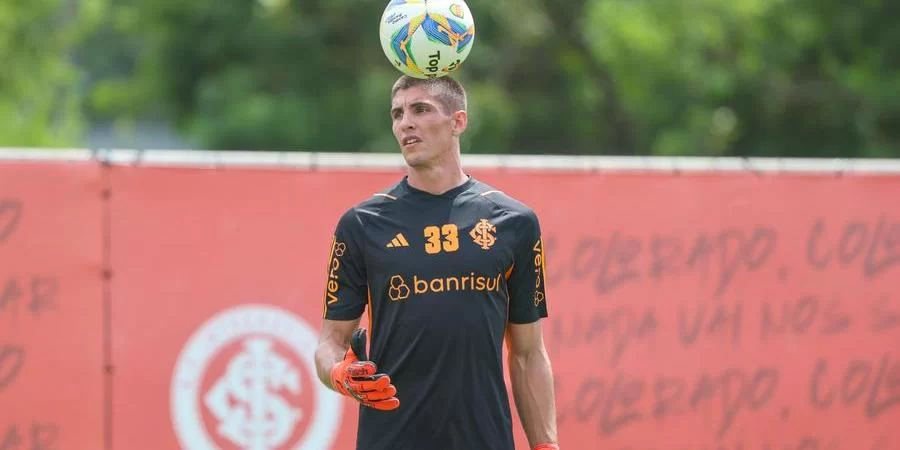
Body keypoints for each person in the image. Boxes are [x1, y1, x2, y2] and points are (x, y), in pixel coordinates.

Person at [314, 74, 560, 450]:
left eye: (420, 109)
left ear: (458, 121)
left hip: (485, 440)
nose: (405, 123)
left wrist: (546, 445)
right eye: (397, 114)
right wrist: (340, 373)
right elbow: (330, 343)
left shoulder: (515, 222)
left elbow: (528, 354)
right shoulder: (361, 225)